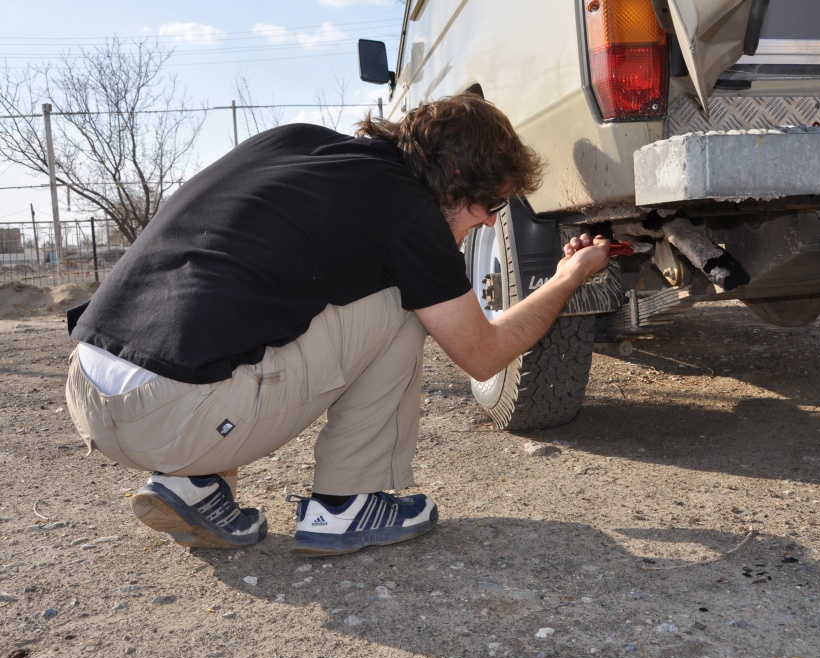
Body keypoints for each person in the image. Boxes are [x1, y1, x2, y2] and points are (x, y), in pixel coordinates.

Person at [64, 92, 610, 557]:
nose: (492, 219)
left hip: (87, 389)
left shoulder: (294, 141)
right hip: (174, 413)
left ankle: (190, 483)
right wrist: (567, 278)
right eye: (491, 203)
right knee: (407, 303)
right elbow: (483, 354)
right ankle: (348, 504)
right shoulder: (409, 210)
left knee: (250, 316)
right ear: (456, 178)